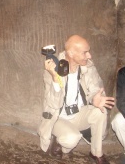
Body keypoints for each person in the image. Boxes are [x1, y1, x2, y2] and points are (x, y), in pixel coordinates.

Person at [38, 35, 115, 164]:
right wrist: (55, 78)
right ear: (71, 53)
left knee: (100, 111)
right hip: (58, 117)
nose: (89, 56)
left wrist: (95, 99)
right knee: (71, 139)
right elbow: (53, 103)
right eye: (85, 52)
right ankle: (57, 140)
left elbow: (96, 88)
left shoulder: (88, 67)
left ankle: (96, 153)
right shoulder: (53, 68)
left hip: (79, 113)